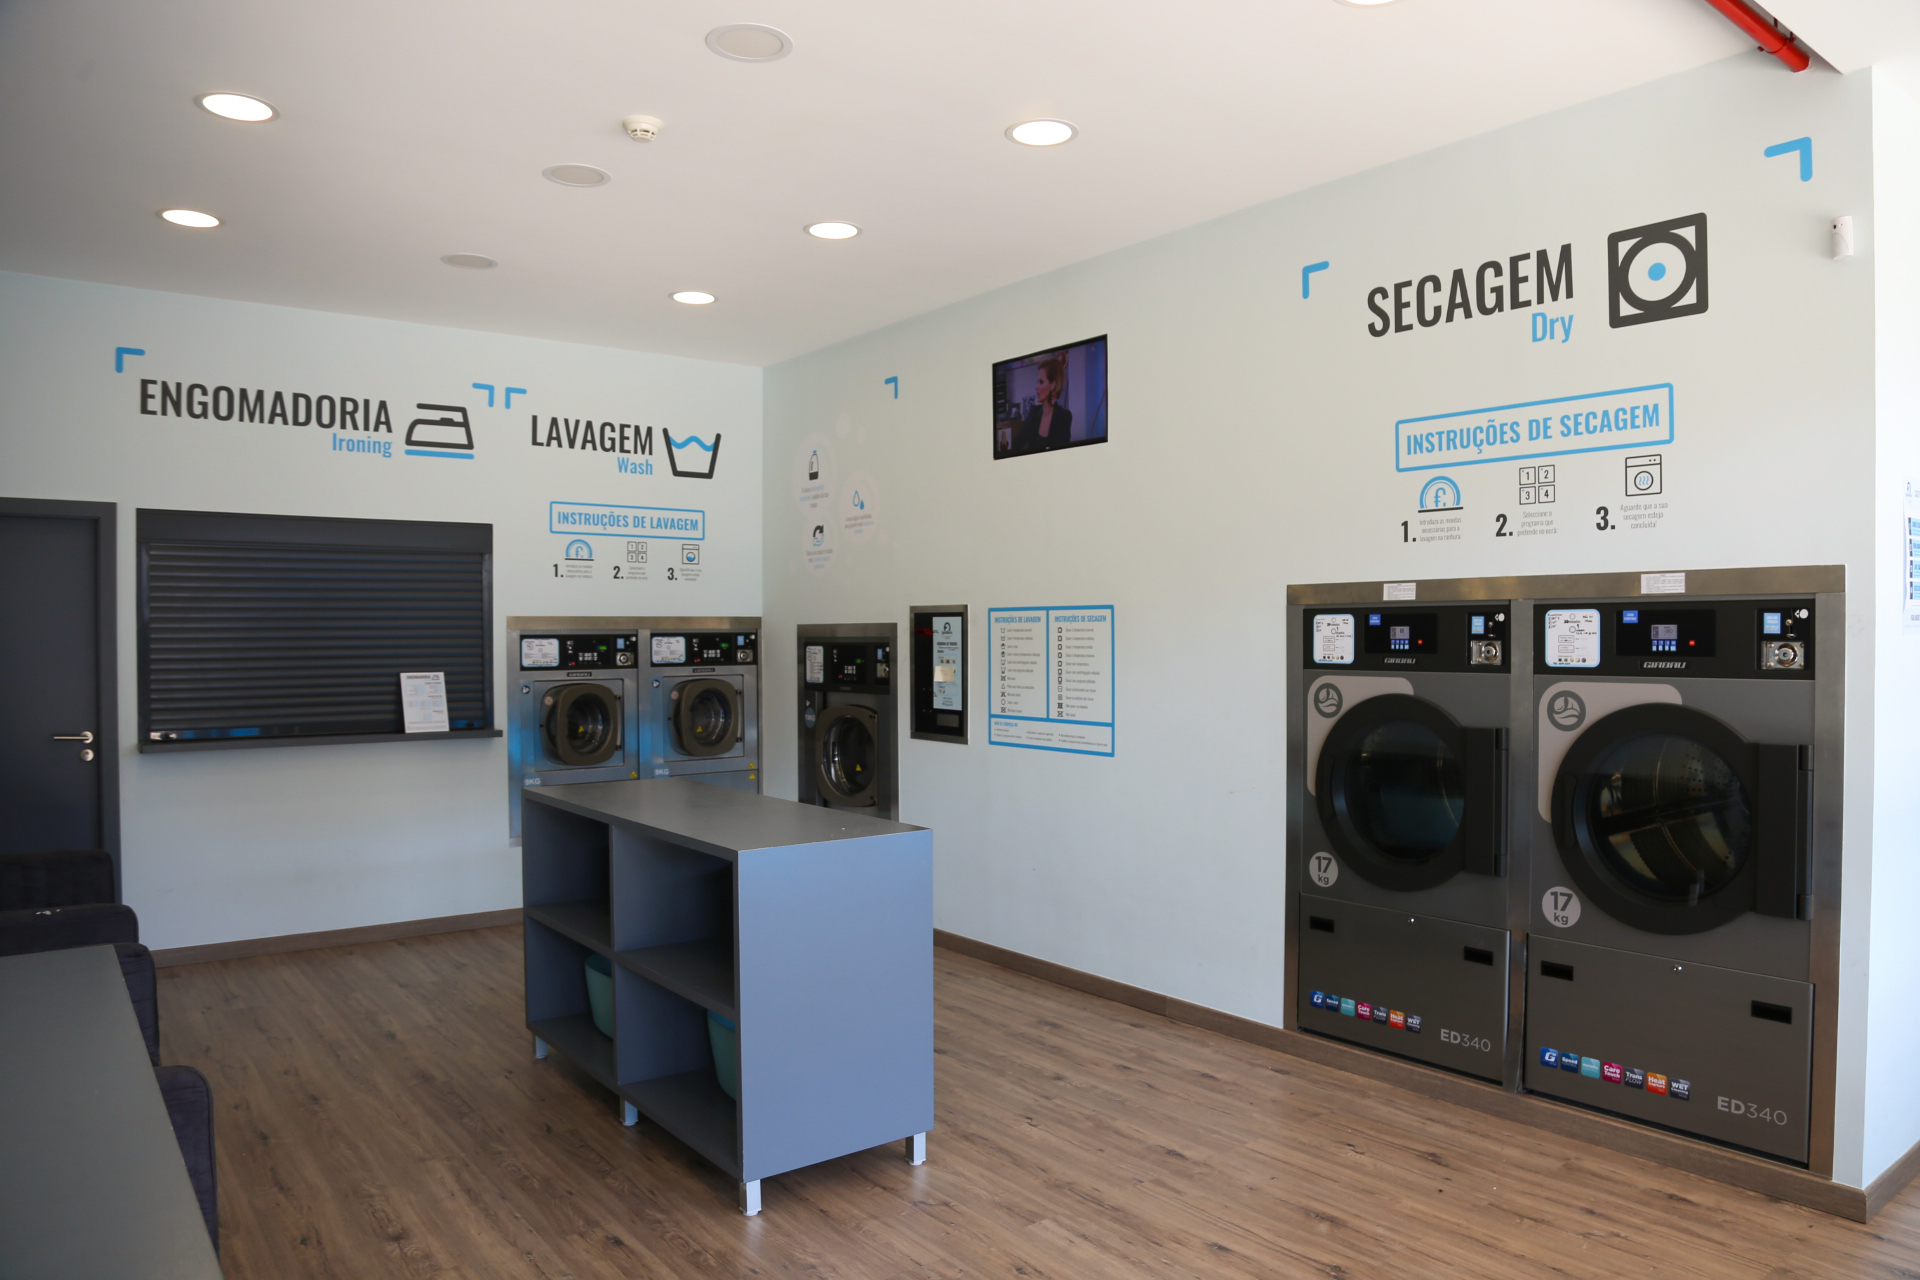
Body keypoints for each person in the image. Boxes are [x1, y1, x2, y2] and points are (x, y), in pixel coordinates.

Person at [1012, 357, 1072, 455]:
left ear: (1052, 385)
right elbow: (1016, 443)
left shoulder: (1064, 416)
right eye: (1037, 382)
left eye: (1041, 382)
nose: (1036, 387)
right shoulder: (1034, 413)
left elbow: (1062, 454)